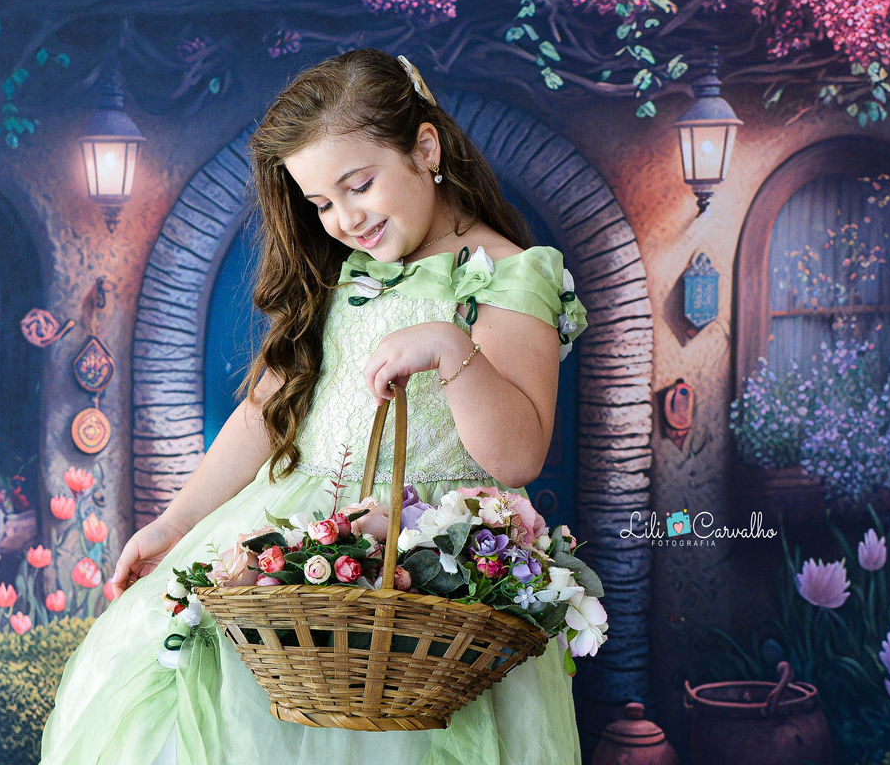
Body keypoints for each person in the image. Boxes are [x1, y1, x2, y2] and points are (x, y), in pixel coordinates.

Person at [40, 47, 588, 765]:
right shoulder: (345, 278)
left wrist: (453, 349)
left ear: (425, 149)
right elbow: (269, 415)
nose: (344, 219)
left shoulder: (509, 278)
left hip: (425, 573)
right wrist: (174, 523)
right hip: (300, 543)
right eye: (321, 203)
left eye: (359, 185)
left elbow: (517, 454)